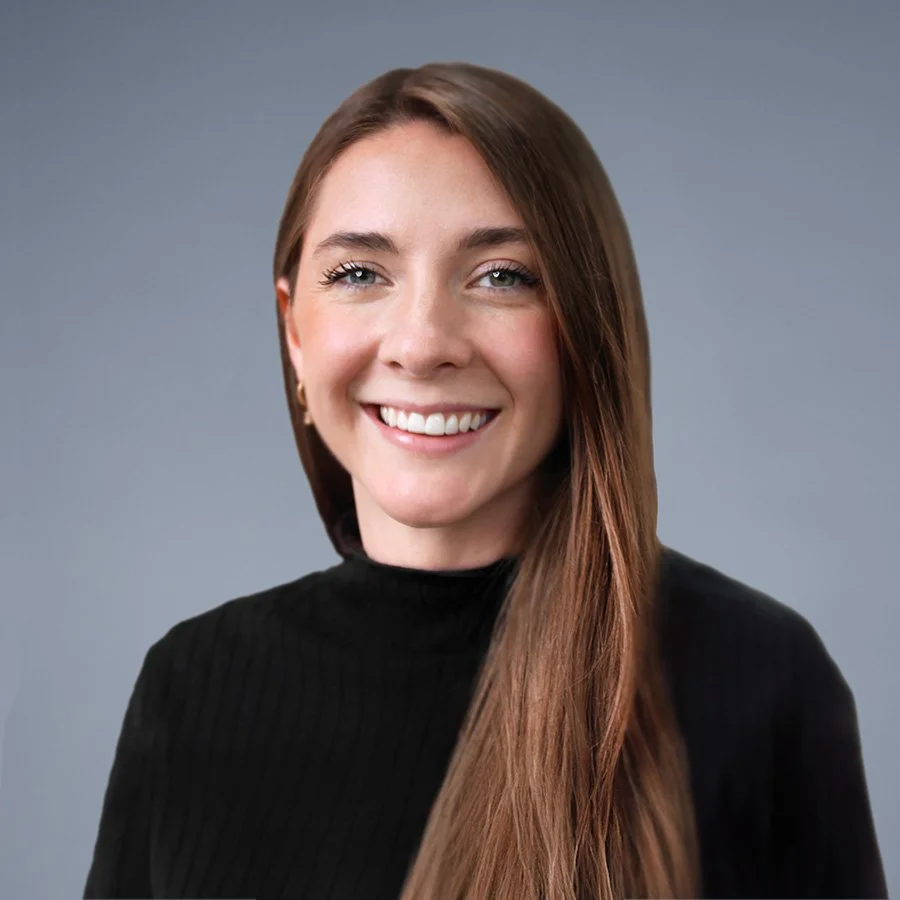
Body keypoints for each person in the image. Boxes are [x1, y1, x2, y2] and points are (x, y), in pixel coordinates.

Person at [83, 62, 887, 900]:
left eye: (502, 275)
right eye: (360, 274)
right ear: (293, 330)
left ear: (587, 326)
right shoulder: (191, 686)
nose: (423, 343)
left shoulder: (758, 679)